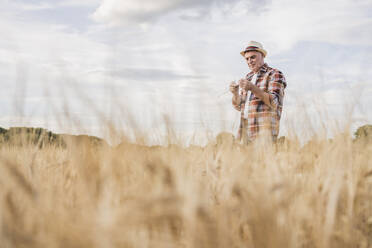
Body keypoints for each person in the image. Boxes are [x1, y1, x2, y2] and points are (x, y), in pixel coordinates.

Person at [229, 41, 286, 143]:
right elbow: (239, 106)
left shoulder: (275, 74)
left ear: (262, 56)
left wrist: (252, 88)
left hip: (264, 132)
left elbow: (274, 102)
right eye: (247, 59)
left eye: (253, 57)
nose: (249, 61)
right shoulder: (248, 77)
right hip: (244, 132)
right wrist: (235, 93)